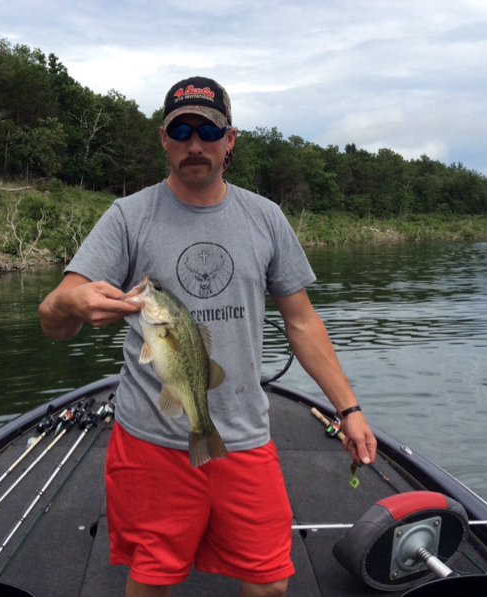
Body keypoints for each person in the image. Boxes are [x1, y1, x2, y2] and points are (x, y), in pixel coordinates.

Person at [38, 76, 377, 597]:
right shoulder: (128, 217)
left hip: (245, 435)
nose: (195, 144)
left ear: (230, 139)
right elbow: (52, 320)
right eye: (181, 131)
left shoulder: (265, 218)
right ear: (164, 139)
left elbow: (302, 322)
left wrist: (348, 408)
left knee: (270, 582)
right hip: (151, 441)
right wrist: (71, 304)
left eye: (208, 131)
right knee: (151, 578)